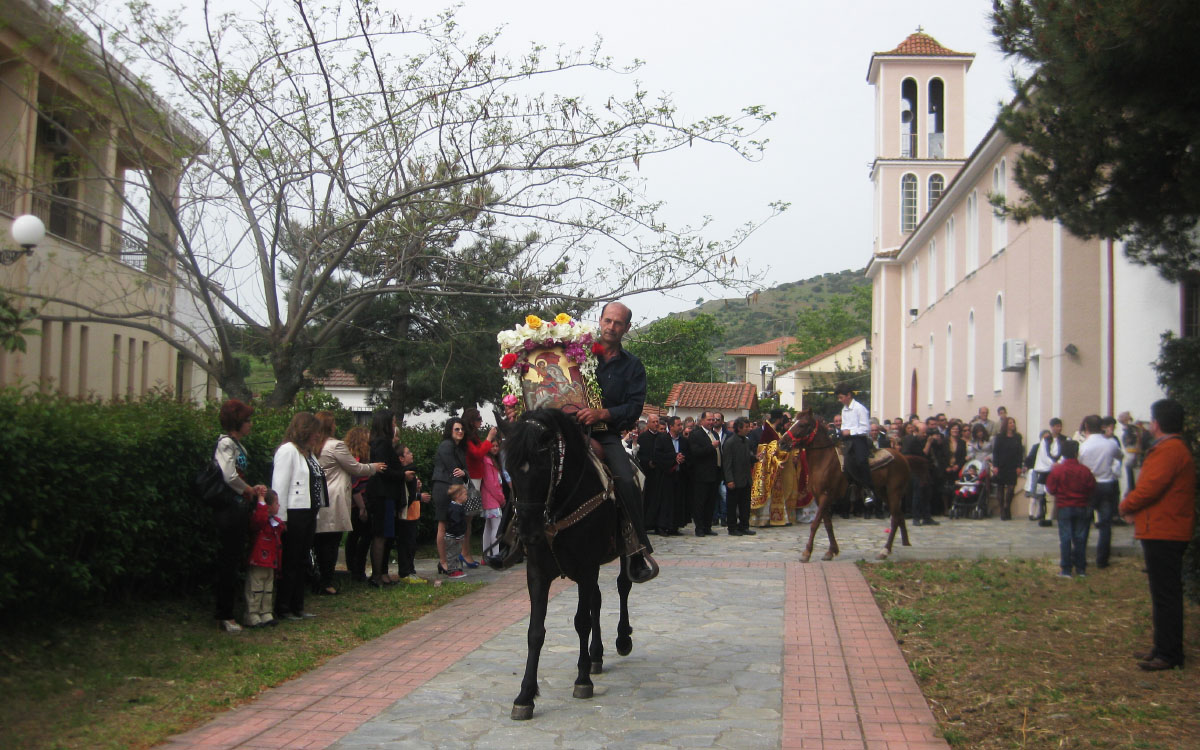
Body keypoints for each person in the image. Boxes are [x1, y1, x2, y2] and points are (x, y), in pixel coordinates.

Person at [574, 300, 657, 583]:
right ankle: (517, 538)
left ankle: (637, 550)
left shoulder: (633, 366)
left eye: (618, 323)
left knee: (628, 479)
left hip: (605, 435)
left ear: (626, 328)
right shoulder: (578, 353)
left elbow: (634, 408)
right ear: (599, 321)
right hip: (569, 431)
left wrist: (603, 413)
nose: (611, 327)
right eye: (607, 320)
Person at [1119, 399, 1196, 671]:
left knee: (1165, 595)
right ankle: (1162, 647)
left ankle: (1169, 652)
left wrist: (1127, 505)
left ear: (1157, 423)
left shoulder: (1168, 450)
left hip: (1165, 530)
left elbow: (1150, 487)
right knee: (1163, 593)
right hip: (1165, 528)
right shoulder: (1172, 448)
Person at [314, 412, 383, 595]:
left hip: (319, 495)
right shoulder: (335, 446)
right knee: (332, 541)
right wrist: (374, 468)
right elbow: (355, 467)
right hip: (335, 497)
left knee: (320, 541)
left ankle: (321, 577)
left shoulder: (315, 446)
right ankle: (327, 581)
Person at [212, 399, 267, 633]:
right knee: (228, 561)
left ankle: (232, 610)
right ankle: (224, 614)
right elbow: (229, 475)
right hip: (229, 508)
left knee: (235, 559)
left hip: (240, 507)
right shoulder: (226, 444)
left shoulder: (237, 444)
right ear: (237, 422)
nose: (250, 425)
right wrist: (248, 489)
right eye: (247, 420)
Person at [271, 412, 327, 620]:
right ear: (304, 431)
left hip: (308, 511)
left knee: (302, 560)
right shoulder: (288, 451)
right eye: (314, 432)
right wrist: (280, 517)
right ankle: (283, 607)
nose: (317, 436)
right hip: (293, 513)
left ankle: (298, 605)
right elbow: (279, 485)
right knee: (290, 562)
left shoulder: (308, 454)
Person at [362, 410, 409, 586]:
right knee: (381, 534)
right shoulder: (382, 444)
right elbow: (384, 469)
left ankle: (382, 573)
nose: (395, 425)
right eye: (393, 422)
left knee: (386, 534)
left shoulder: (379, 442)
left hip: (384, 493)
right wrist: (402, 475)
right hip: (382, 493)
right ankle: (377, 574)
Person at [1078, 414, 1124, 569]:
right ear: (1102, 427)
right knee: (1105, 524)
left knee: (1084, 523)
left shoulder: (1084, 446)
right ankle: (1102, 560)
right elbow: (1120, 456)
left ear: (1086, 428)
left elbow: (1079, 463)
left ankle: (1080, 558)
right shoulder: (1110, 444)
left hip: (1089, 485)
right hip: (1107, 484)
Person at [1045, 440, 1095, 578]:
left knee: (1065, 538)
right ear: (1076, 453)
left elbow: (1051, 488)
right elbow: (1091, 486)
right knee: (1080, 537)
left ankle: (1066, 569)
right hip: (1081, 506)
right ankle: (1081, 568)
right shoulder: (1084, 470)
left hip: (1064, 506)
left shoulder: (1058, 470)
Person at [432, 417, 469, 577]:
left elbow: (464, 470)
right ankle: (444, 561)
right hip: (444, 487)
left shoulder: (459, 447)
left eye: (461, 429)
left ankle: (450, 560)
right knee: (443, 525)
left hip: (454, 487)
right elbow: (453, 469)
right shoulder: (446, 445)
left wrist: (464, 474)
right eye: (457, 429)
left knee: (453, 526)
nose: (460, 432)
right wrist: (458, 493)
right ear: (450, 430)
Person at [460, 408, 497, 568]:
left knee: (470, 517)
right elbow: (478, 453)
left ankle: (465, 552)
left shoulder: (472, 437)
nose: (481, 422)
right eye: (478, 419)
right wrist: (489, 438)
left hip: (476, 478)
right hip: (472, 479)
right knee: (467, 517)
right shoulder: (467, 439)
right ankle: (464, 552)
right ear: (472, 421)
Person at [245, 489, 284, 628]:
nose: (278, 506)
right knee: (255, 588)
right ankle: (252, 614)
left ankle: (266, 612)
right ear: (267, 506)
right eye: (276, 503)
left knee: (268, 589)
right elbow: (260, 518)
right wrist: (261, 498)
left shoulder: (275, 523)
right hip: (258, 561)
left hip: (270, 563)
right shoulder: (260, 521)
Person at [835, 383, 876, 507]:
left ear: (849, 395)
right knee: (845, 465)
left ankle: (868, 489)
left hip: (859, 439)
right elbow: (844, 426)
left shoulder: (860, 408)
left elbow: (865, 428)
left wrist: (850, 431)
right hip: (848, 440)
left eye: (842, 397)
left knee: (861, 461)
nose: (840, 400)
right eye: (839, 398)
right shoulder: (844, 410)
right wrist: (842, 432)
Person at [342, 426, 373, 583]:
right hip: (359, 503)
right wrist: (362, 507)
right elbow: (355, 485)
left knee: (355, 536)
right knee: (363, 536)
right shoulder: (357, 460)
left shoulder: (358, 458)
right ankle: (356, 569)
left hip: (359, 502)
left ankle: (354, 568)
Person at [395, 443, 429, 584]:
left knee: (412, 544)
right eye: (408, 453)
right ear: (401, 458)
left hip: (414, 513)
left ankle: (411, 570)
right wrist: (420, 496)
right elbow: (406, 495)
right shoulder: (405, 473)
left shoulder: (411, 474)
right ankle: (406, 572)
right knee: (406, 544)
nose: (411, 454)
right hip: (406, 515)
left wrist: (418, 489)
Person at [688, 410, 723, 537]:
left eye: (713, 420)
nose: (711, 422)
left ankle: (708, 526)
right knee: (700, 502)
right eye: (709, 420)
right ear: (702, 421)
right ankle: (700, 528)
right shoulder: (696, 434)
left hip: (714, 473)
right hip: (701, 475)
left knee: (711, 502)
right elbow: (695, 452)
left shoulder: (714, 434)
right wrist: (711, 447)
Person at [722, 417, 757, 536]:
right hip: (735, 479)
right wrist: (729, 480)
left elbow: (748, 457)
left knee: (745, 505)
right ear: (739, 428)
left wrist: (756, 458)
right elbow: (727, 463)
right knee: (732, 505)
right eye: (746, 427)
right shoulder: (730, 442)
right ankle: (732, 527)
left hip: (746, 478)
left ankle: (744, 526)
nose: (748, 429)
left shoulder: (746, 441)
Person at [653, 415, 688, 535]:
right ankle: (662, 525)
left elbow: (688, 455)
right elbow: (658, 456)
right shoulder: (662, 439)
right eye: (678, 425)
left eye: (681, 425)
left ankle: (675, 525)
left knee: (677, 501)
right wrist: (674, 458)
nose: (680, 427)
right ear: (671, 426)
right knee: (665, 502)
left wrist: (682, 458)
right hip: (666, 475)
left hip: (679, 475)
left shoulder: (683, 440)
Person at [1030, 418, 1065, 526]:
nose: (1058, 428)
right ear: (1052, 427)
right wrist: (1052, 464)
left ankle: (1061, 516)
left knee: (1061, 493)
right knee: (1048, 494)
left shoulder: (1065, 439)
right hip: (1048, 470)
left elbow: (1066, 452)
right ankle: (1048, 516)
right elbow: (1043, 455)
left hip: (1060, 469)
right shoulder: (1045, 441)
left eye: (1060, 426)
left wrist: (1060, 463)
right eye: (1056, 426)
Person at [991, 417, 1024, 520]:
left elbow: (1020, 453)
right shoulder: (1000, 437)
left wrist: (1019, 466)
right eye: (1010, 423)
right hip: (1001, 465)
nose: (1012, 424)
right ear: (1006, 425)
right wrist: (995, 466)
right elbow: (995, 452)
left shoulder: (1017, 437)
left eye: (1013, 422)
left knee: (1011, 488)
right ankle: (1002, 510)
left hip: (1012, 465)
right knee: (1000, 487)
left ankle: (1007, 507)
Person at [480, 442, 506, 566]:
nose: (495, 448)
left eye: (497, 446)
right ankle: (495, 555)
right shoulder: (488, 462)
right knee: (496, 526)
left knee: (488, 527)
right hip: (492, 499)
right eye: (493, 446)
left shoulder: (490, 461)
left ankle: (486, 555)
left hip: (488, 498)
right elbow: (492, 484)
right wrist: (501, 499)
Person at [638, 414, 663, 532]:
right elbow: (639, 454)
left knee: (659, 499)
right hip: (647, 473)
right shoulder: (642, 438)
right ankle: (646, 523)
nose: (656, 424)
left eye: (657, 422)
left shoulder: (662, 437)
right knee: (648, 499)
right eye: (653, 422)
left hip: (660, 472)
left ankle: (658, 524)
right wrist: (648, 463)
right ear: (648, 423)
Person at [440, 484, 468, 579]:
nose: (466, 496)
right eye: (465, 494)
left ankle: (455, 568)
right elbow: (455, 523)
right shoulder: (454, 509)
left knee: (456, 552)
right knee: (452, 553)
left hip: (456, 535)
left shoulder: (458, 507)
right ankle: (452, 570)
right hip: (453, 536)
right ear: (458, 496)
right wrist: (457, 535)